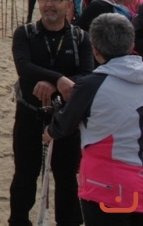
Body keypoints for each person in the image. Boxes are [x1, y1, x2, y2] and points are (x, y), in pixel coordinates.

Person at [44, 13, 143, 223]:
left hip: (108, 185)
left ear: (95, 50)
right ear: (131, 44)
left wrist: (50, 130)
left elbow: (64, 124)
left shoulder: (92, 85)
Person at [8, 0, 93, 226]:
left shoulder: (80, 37)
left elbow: (87, 75)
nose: (49, 4)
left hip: (66, 119)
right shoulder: (25, 33)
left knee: (66, 178)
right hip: (30, 114)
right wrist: (59, 79)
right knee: (25, 174)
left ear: (68, 4)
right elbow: (23, 67)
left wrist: (55, 85)